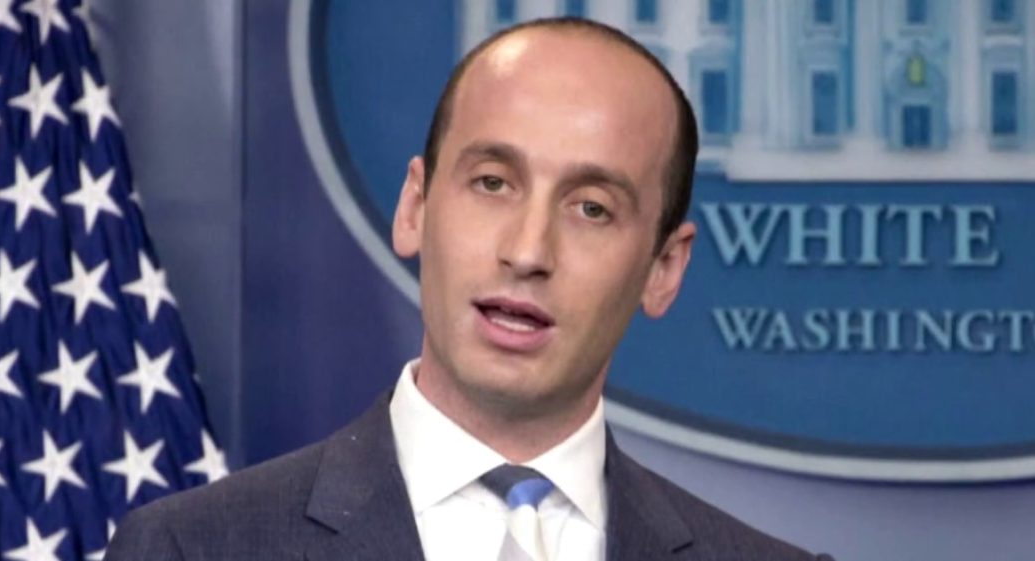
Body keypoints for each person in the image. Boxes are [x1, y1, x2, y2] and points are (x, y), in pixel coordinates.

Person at [107, 18, 833, 561]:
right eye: (492, 183)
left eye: (591, 208)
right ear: (415, 207)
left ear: (663, 268)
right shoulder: (191, 548)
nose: (528, 251)